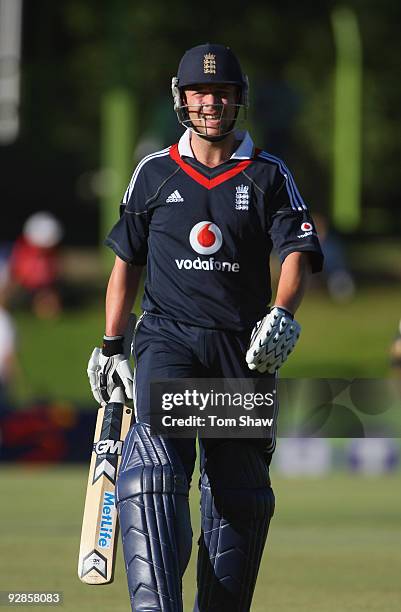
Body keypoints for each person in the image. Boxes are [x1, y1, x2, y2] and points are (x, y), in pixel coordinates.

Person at [88, 43, 323, 612]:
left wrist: (283, 312)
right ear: (182, 100)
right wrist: (111, 345)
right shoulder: (154, 172)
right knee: (157, 471)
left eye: (221, 93)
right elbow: (126, 267)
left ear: (238, 99)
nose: (210, 102)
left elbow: (296, 251)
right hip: (167, 338)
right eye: (200, 93)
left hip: (241, 353)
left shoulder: (268, 173)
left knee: (237, 492)